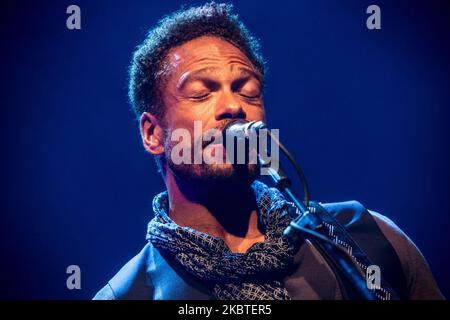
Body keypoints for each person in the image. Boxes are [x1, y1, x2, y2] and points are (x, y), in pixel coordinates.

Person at [93, 2, 443, 300]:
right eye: (202, 93)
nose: (233, 106)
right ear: (153, 133)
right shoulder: (130, 293)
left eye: (248, 92)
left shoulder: (367, 237)